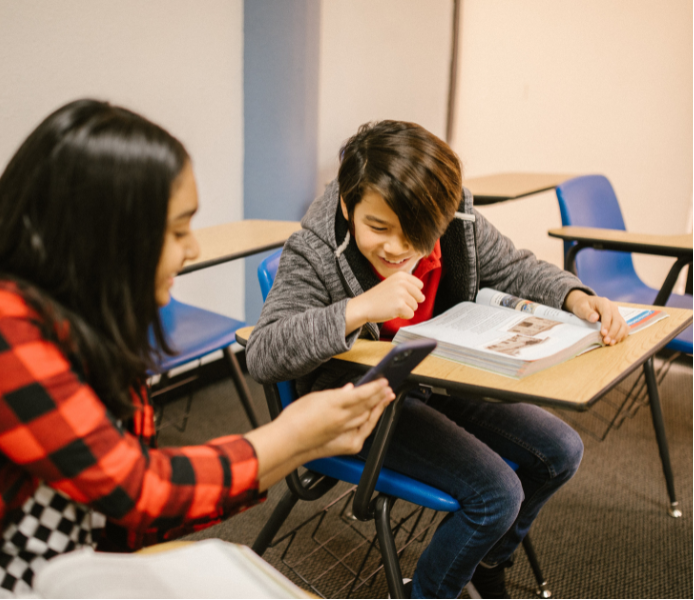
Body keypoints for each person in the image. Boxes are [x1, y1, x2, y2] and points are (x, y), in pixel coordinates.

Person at [0, 100, 395, 599]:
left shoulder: (83, 322)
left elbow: (126, 516)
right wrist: (292, 438)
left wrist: (301, 441)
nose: (193, 249)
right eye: (177, 230)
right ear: (104, 234)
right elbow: (136, 492)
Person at [245, 120, 629, 599]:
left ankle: (488, 559)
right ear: (348, 206)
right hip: (357, 402)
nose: (398, 248)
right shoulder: (316, 249)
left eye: (418, 233)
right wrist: (358, 310)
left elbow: (512, 265)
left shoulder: (457, 217)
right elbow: (263, 353)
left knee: (560, 452)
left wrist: (573, 295)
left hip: (435, 375)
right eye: (378, 228)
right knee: (496, 495)